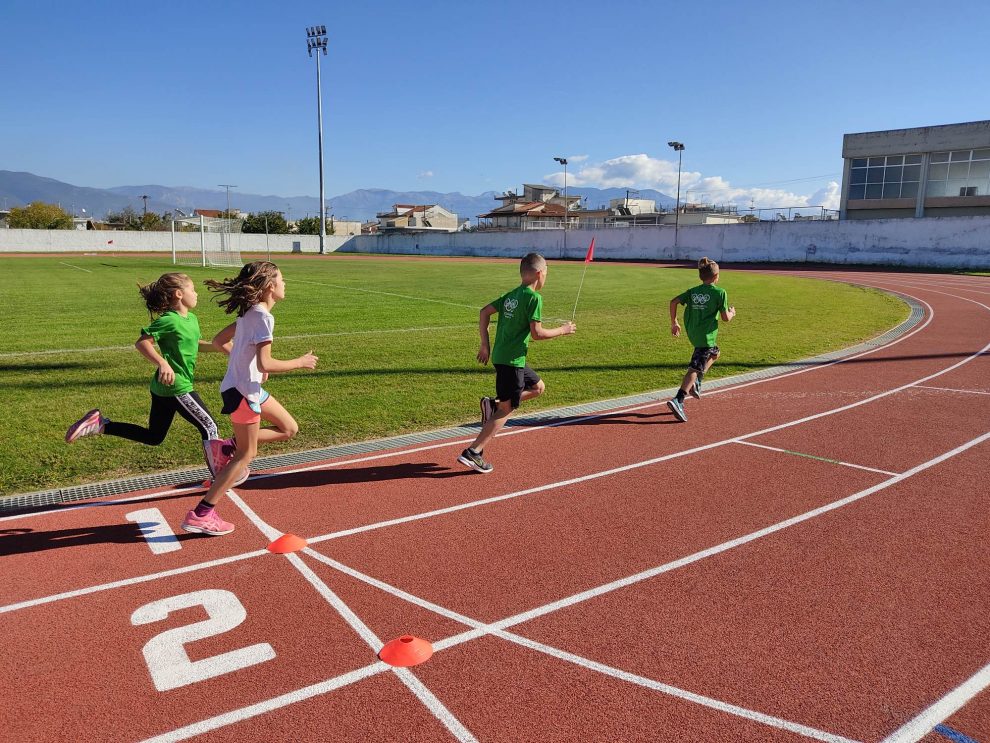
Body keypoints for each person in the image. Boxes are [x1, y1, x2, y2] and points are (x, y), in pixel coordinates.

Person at [181, 261, 318, 536]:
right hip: (244, 393)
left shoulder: (248, 314)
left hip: (248, 388)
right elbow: (266, 363)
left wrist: (247, 365)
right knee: (248, 454)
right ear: (270, 287)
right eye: (282, 279)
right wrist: (300, 361)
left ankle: (227, 446)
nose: (285, 284)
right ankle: (202, 513)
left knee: (289, 428)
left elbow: (220, 341)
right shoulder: (263, 317)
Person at [65, 272, 236, 478]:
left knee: (154, 436)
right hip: (176, 386)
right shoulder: (169, 321)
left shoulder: (191, 319)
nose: (196, 294)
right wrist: (162, 362)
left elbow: (194, 345)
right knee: (210, 426)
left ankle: (101, 425)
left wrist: (220, 347)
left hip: (162, 388)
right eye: (193, 289)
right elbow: (142, 342)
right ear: (179, 294)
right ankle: (219, 477)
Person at [458, 252, 576, 473]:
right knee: (507, 408)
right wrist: (563, 330)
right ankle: (473, 452)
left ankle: (493, 405)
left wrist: (485, 345)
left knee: (538, 387)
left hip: (506, 357)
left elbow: (484, 313)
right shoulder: (534, 298)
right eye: (547, 274)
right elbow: (537, 333)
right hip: (512, 361)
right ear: (540, 274)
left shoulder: (511, 295)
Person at [667, 257, 736, 422]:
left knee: (716, 353)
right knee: (694, 369)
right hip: (706, 336)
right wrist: (732, 312)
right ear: (716, 276)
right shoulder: (720, 293)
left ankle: (698, 381)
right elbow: (726, 318)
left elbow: (673, 302)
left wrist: (674, 323)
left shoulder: (693, 291)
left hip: (694, 333)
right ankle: (679, 399)